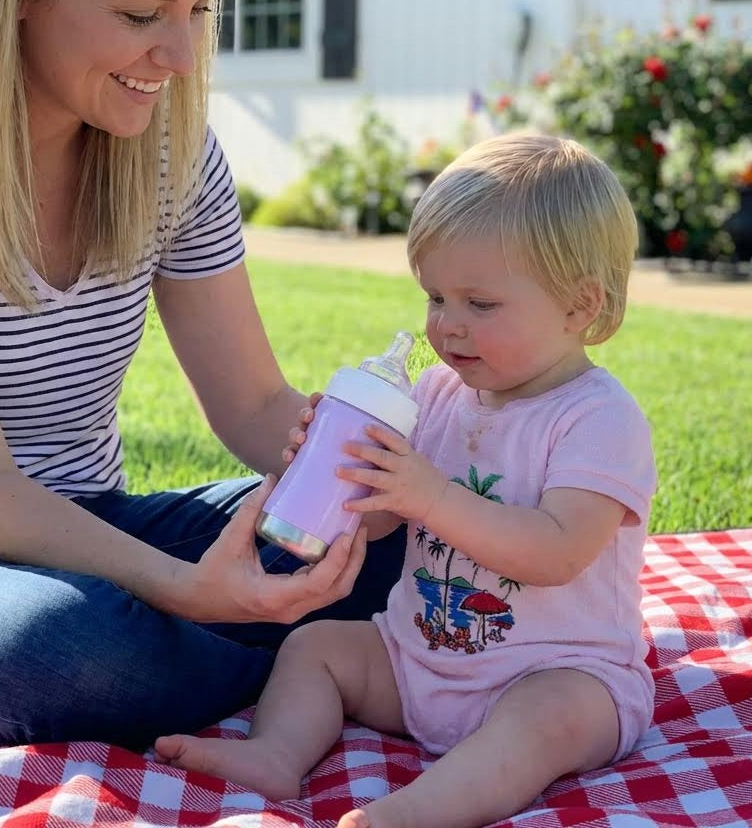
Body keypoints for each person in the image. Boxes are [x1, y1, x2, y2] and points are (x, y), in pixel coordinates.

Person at [0, 0, 404, 750]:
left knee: (403, 547)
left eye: (199, 9)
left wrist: (366, 487)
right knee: (69, 647)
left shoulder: (168, 154)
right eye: (141, 15)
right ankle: (286, 643)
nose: (177, 57)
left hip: (95, 525)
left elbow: (253, 404)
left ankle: (246, 635)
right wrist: (179, 585)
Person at [156, 134, 658, 828]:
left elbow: (558, 552)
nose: (447, 325)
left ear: (578, 308)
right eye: (435, 296)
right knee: (317, 647)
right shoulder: (440, 393)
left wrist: (431, 494)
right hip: (419, 658)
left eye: (480, 304)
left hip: (556, 671)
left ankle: (415, 813)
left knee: (546, 723)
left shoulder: (599, 419)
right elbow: (386, 520)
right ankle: (276, 753)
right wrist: (337, 474)